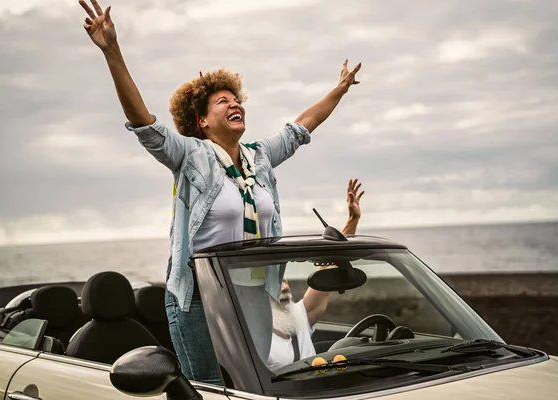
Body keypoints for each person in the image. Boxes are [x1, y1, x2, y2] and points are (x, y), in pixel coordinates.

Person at [78, 0, 362, 384]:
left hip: (253, 295)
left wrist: (340, 90)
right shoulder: (190, 156)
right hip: (199, 296)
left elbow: (301, 128)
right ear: (202, 120)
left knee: (250, 386)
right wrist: (112, 51)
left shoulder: (259, 157)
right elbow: (142, 121)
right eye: (222, 101)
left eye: (237, 98)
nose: (235, 103)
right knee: (209, 390)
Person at [267, 179, 365, 371]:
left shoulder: (299, 316)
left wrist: (353, 220)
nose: (285, 285)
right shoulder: (255, 333)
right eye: (278, 283)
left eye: (284, 280)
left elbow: (331, 264)